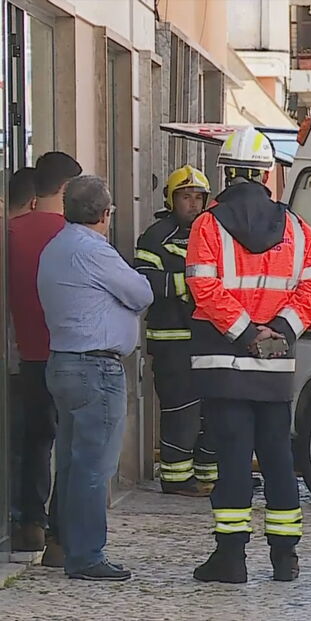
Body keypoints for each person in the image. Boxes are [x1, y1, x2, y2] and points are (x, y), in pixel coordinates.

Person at [186, 127, 311, 583]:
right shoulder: (298, 228)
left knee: (232, 459)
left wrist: (245, 333)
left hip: (223, 363)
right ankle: (286, 558)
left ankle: (231, 559)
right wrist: (278, 332)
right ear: (267, 174)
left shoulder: (207, 225)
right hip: (274, 365)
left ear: (226, 173)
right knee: (278, 457)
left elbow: (203, 286)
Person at [38, 175, 153, 581]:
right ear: (105, 213)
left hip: (63, 361)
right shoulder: (94, 250)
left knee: (71, 463)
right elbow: (141, 294)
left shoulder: (56, 246)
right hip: (95, 368)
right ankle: (86, 555)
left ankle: (63, 544)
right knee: (93, 467)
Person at [8, 154, 82, 566]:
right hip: (70, 353)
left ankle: (29, 523)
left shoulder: (11, 232)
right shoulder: (76, 237)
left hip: (26, 356)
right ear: (67, 190)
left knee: (32, 442)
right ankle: (60, 537)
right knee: (71, 447)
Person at [134, 165, 217, 496]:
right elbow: (144, 281)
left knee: (211, 411)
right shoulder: (156, 236)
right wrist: (192, 285)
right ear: (171, 199)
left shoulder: (213, 232)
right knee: (181, 411)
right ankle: (176, 478)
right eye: (185, 196)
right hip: (172, 341)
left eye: (198, 197)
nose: (193, 204)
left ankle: (209, 474)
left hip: (208, 339)